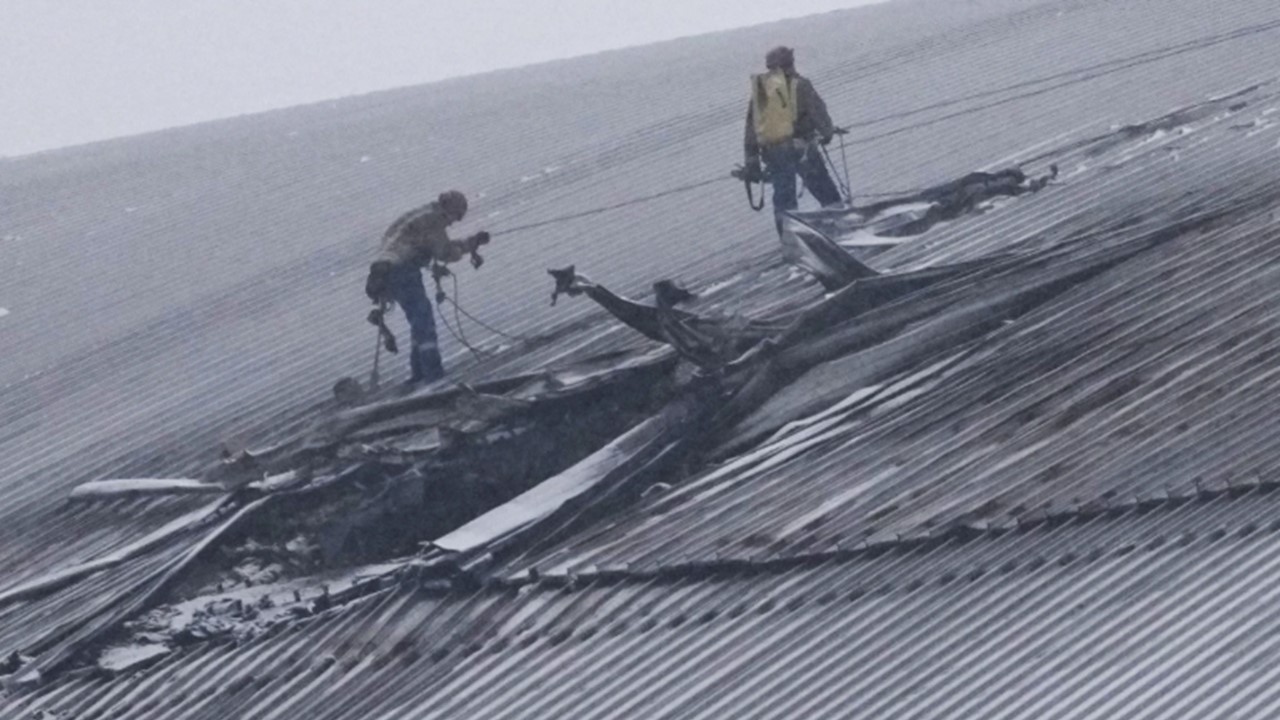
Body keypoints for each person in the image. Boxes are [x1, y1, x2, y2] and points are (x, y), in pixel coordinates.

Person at [364, 190, 490, 386]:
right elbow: (444, 253)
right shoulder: (433, 221)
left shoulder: (422, 215)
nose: (453, 222)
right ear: (449, 209)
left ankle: (419, 372)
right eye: (456, 216)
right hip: (401, 270)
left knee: (419, 317)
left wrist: (468, 243)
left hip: (387, 270)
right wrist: (471, 244)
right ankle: (433, 374)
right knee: (424, 319)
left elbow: (433, 244)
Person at [743, 46, 843, 222]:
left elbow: (752, 125)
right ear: (791, 62)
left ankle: (789, 234)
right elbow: (817, 111)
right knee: (824, 189)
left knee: (784, 197)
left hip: (773, 152)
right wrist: (827, 133)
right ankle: (840, 222)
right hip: (802, 149)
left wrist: (751, 158)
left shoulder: (761, 90)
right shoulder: (801, 84)